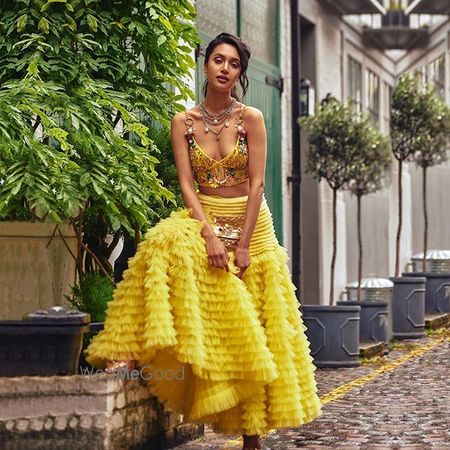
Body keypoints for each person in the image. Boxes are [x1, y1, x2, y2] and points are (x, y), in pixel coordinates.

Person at [85, 32, 322, 450]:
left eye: (233, 63)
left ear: (240, 73)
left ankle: (253, 437)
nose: (225, 68)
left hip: (252, 229)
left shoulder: (251, 119)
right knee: (163, 242)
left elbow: (257, 184)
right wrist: (209, 234)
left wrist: (244, 244)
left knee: (252, 330)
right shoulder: (184, 122)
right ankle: (131, 352)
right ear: (206, 64)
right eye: (218, 59)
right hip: (205, 221)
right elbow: (186, 184)